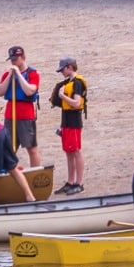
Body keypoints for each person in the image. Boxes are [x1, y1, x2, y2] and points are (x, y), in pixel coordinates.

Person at [0, 46, 41, 170]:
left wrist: (19, 76)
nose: (13, 62)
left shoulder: (33, 74)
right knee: (9, 148)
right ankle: (9, 172)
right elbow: (0, 91)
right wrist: (10, 75)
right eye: (12, 59)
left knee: (31, 148)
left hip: (26, 116)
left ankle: (34, 173)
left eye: (16, 59)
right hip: (10, 115)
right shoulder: (7, 74)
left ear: (23, 57)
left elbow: (29, 91)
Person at [51, 56, 88, 195]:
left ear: (69, 67)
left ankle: (79, 183)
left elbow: (77, 103)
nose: (61, 72)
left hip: (74, 121)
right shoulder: (69, 82)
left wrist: (63, 97)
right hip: (66, 121)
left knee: (76, 151)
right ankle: (70, 182)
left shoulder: (77, 83)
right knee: (69, 152)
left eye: (63, 69)